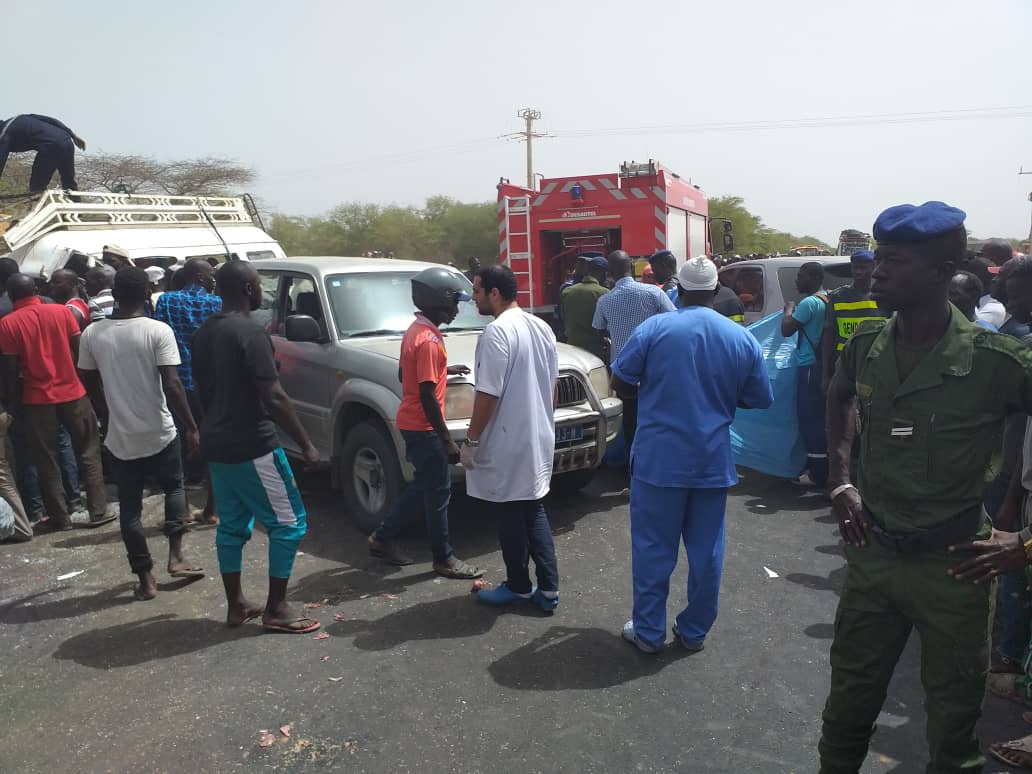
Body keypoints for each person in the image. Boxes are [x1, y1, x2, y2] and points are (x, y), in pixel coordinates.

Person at [818, 201, 1032, 773]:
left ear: (941, 272)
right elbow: (840, 398)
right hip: (873, 559)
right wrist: (840, 482)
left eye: (894, 261)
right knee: (844, 717)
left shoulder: (998, 361)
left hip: (957, 569)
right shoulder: (866, 343)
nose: (876, 272)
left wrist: (1026, 542)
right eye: (877, 258)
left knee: (953, 736)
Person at [612, 256, 771, 653]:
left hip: (657, 461)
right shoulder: (741, 338)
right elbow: (758, 398)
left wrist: (653, 392)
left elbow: (621, 380)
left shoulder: (654, 329)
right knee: (707, 552)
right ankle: (694, 631)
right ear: (717, 291)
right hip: (711, 462)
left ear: (678, 290)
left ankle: (649, 634)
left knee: (652, 550)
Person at [192, 260, 321, 633]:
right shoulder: (249, 333)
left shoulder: (205, 332)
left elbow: (202, 388)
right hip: (252, 444)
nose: (262, 292)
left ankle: (237, 605)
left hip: (217, 442)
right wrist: (306, 444)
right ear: (248, 289)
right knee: (290, 523)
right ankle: (277, 609)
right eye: (258, 285)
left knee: (232, 525)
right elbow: (274, 395)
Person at [78, 267, 204, 599]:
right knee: (174, 486)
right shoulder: (157, 331)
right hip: (160, 429)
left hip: (120, 436)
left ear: (114, 294)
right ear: (147, 294)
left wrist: (106, 414)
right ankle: (176, 556)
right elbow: (173, 384)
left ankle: (145, 579)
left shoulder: (93, 334)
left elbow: (88, 380)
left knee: (130, 508)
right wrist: (191, 427)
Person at [367, 267, 481, 579]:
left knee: (425, 487)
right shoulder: (429, 340)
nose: (458, 309)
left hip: (412, 422)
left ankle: (382, 537)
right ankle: (442, 557)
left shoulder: (416, 330)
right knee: (437, 490)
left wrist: (443, 370)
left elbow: (408, 375)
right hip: (424, 426)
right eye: (455, 302)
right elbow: (427, 395)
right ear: (439, 301)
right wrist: (446, 439)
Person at [464, 265, 559, 611]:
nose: (473, 298)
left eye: (477, 290)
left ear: (493, 293)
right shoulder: (541, 327)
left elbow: (488, 393)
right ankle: (545, 589)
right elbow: (552, 386)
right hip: (536, 434)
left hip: (507, 439)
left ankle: (520, 585)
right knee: (531, 506)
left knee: (511, 511)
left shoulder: (496, 333)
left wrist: (472, 441)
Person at [0, 274, 111, 531]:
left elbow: (10, 370)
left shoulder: (7, 325)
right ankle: (98, 510)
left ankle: (61, 518)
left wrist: (14, 405)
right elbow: (79, 352)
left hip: (36, 399)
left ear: (10, 294)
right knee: (88, 451)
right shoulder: (62, 313)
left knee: (46, 459)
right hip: (73, 392)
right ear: (37, 290)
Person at [154, 257, 222, 524]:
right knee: (212, 445)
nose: (213, 280)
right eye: (210, 276)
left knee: (179, 446)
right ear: (200, 277)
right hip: (210, 383)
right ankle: (211, 509)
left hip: (178, 383)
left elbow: (160, 338)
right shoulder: (217, 304)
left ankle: (180, 512)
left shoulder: (167, 301)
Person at [593, 250, 675, 455]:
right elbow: (675, 322)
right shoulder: (654, 293)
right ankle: (656, 459)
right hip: (653, 367)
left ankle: (633, 466)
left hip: (622, 373)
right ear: (631, 266)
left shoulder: (604, 301)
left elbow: (598, 329)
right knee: (656, 416)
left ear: (610, 272)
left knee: (629, 421)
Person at [780, 262, 829, 487]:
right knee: (820, 419)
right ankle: (819, 467)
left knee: (811, 420)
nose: (797, 281)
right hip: (821, 366)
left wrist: (789, 309)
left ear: (814, 277)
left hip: (809, 367)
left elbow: (786, 329)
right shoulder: (827, 299)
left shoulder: (809, 303)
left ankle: (817, 473)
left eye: (801, 276)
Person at [821, 249, 883, 390]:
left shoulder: (882, 296)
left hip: (874, 367)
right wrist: (825, 375)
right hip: (843, 366)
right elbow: (827, 335)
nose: (859, 272)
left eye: (863, 267)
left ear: (873, 267)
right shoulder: (837, 297)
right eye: (855, 267)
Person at [0, 114, 86, 192]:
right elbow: (51, 120)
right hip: (67, 141)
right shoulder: (18, 118)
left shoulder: (4, 135)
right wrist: (73, 135)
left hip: (51, 147)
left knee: (36, 187)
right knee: (69, 183)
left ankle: (37, 206)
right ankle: (78, 206)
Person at [560, 254, 609, 360]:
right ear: (602, 273)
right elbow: (605, 325)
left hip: (572, 347)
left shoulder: (567, 291)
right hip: (594, 350)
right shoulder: (604, 293)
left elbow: (563, 317)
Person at [968, 256, 1007, 328]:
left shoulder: (994, 309)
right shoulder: (978, 301)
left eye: (997, 275)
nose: (996, 279)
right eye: (991, 276)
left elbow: (973, 328)